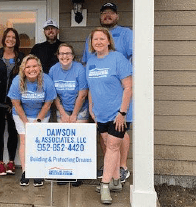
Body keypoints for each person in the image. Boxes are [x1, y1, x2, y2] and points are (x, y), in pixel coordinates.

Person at [82, 2, 133, 182]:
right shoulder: (91, 55)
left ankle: (122, 168)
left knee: (120, 134)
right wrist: (91, 106)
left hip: (119, 95)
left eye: (111, 13)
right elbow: (88, 73)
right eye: (104, 13)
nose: (108, 15)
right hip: (101, 103)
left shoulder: (126, 34)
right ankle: (111, 170)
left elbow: (135, 58)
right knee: (107, 141)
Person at [7, 54, 56, 187]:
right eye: (28, 67)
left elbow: (48, 103)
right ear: (23, 69)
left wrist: (38, 121)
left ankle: (38, 171)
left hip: (41, 114)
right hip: (21, 114)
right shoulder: (17, 80)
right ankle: (26, 171)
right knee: (24, 140)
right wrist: (26, 123)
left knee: (38, 142)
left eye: (34, 66)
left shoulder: (47, 80)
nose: (31, 69)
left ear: (39, 68)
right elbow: (16, 103)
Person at [49, 43, 88, 187]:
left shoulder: (79, 69)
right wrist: (63, 113)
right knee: (64, 142)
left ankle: (77, 173)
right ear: (58, 56)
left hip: (80, 108)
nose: (65, 56)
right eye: (62, 53)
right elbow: (53, 94)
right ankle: (64, 172)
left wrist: (74, 115)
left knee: (77, 141)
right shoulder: (53, 70)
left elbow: (83, 94)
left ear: (73, 56)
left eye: (68, 53)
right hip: (63, 108)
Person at [0, 28, 25, 176]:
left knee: (13, 131)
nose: (10, 39)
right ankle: (0, 163)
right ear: (4, 38)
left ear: (16, 40)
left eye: (13, 37)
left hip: (15, 101)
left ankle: (11, 162)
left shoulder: (21, 58)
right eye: (8, 36)